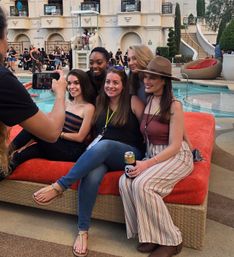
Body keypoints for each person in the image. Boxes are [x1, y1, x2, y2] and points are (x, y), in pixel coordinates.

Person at [33, 67, 145, 257]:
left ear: (124, 84)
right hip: (103, 154)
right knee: (91, 176)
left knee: (106, 145)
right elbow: (78, 88)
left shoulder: (132, 101)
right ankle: (83, 232)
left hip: (129, 154)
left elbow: (148, 130)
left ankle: (60, 186)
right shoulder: (100, 102)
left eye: (116, 82)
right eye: (108, 82)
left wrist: (151, 160)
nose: (111, 86)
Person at [119, 56, 194, 257]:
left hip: (176, 156)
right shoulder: (150, 99)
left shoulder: (174, 105)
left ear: (164, 81)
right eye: (146, 77)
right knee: (125, 180)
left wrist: (146, 165)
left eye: (153, 78)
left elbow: (176, 145)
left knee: (143, 185)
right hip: (153, 154)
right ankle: (148, 235)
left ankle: (172, 240)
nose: (147, 81)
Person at [0, 6, 67, 179]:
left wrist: (17, 99)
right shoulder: (4, 80)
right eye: (6, 35)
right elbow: (52, 132)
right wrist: (60, 93)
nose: (7, 43)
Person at [9, 69, 95, 171]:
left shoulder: (89, 108)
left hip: (72, 150)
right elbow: (48, 123)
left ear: (84, 84)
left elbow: (80, 137)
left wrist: (58, 134)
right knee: (20, 156)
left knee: (35, 126)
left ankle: (7, 150)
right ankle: (4, 165)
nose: (72, 87)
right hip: (56, 144)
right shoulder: (66, 103)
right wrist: (26, 144)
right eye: (69, 83)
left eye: (76, 83)